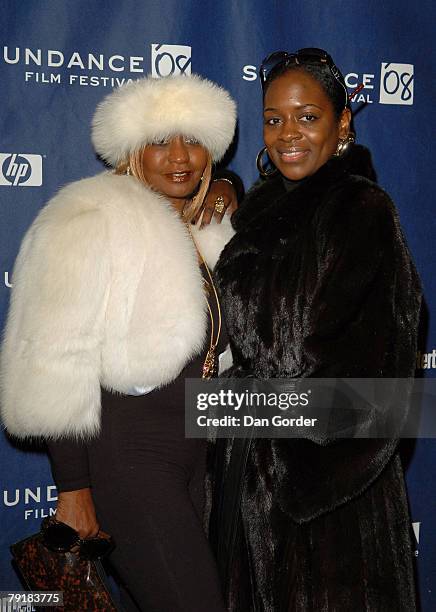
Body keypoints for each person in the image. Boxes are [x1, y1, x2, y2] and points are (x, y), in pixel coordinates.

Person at [0, 74, 239, 612]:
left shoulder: (210, 224)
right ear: (131, 149)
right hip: (129, 455)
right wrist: (74, 490)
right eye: (159, 141)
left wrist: (230, 192)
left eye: (193, 139)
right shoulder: (87, 216)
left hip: (201, 455)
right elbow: (54, 361)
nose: (179, 156)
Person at [209, 48, 421, 611]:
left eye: (307, 116)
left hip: (329, 511)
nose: (287, 134)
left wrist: (245, 423)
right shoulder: (253, 217)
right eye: (274, 118)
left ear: (342, 120)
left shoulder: (360, 211)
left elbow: (379, 399)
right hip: (249, 495)